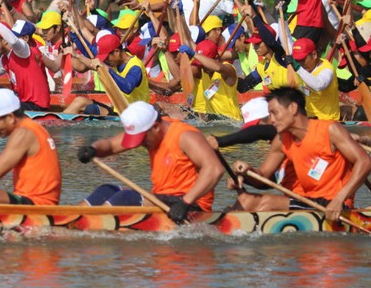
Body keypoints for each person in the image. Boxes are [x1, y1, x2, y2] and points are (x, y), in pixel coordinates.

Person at [232, 87, 371, 222]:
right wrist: (246, 173)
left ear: (293, 108)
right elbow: (262, 175)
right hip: (307, 201)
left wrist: (339, 199)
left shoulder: (330, 130)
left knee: (254, 201)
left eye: (275, 113)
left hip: (333, 205)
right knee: (245, 201)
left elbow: (364, 162)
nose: (272, 120)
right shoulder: (281, 140)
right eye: (269, 114)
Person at [77, 101, 223, 223]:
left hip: (188, 206)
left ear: (156, 127)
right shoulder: (149, 132)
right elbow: (110, 145)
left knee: (126, 198)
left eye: (142, 139)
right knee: (106, 190)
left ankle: (91, 224)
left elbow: (215, 169)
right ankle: (73, 219)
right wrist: (93, 149)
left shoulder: (185, 136)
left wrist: (186, 202)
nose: (141, 144)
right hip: (163, 200)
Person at [288, 37, 339, 120]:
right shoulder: (303, 69)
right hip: (309, 119)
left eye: (303, 59)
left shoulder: (327, 70)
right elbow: (286, 38)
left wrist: (297, 68)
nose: (300, 63)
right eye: (297, 60)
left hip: (327, 121)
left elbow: (318, 85)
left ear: (314, 54)